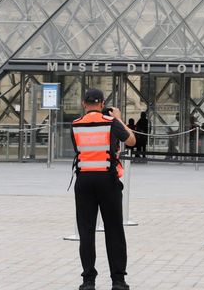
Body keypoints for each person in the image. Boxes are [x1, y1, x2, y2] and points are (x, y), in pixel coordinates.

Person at [71, 88, 135, 290]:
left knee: (86, 230)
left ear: (84, 103)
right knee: (114, 229)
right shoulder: (111, 122)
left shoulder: (76, 125)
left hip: (84, 180)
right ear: (102, 103)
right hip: (107, 179)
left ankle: (88, 280)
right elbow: (131, 141)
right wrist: (118, 118)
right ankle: (118, 280)